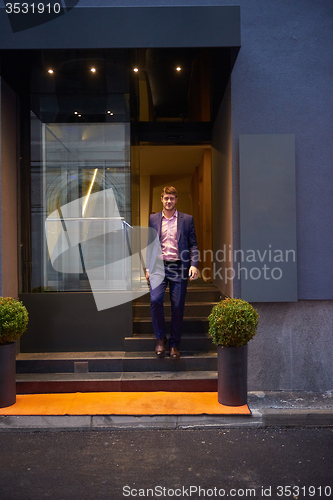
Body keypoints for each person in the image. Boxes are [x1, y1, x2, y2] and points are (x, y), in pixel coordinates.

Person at [145, 186, 198, 359]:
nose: (169, 201)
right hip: (159, 267)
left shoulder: (186, 219)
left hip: (179, 267)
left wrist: (194, 264)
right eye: (166, 198)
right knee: (155, 300)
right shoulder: (153, 219)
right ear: (161, 199)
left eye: (172, 198)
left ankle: (174, 344)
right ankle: (161, 339)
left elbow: (193, 245)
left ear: (176, 200)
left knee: (177, 307)